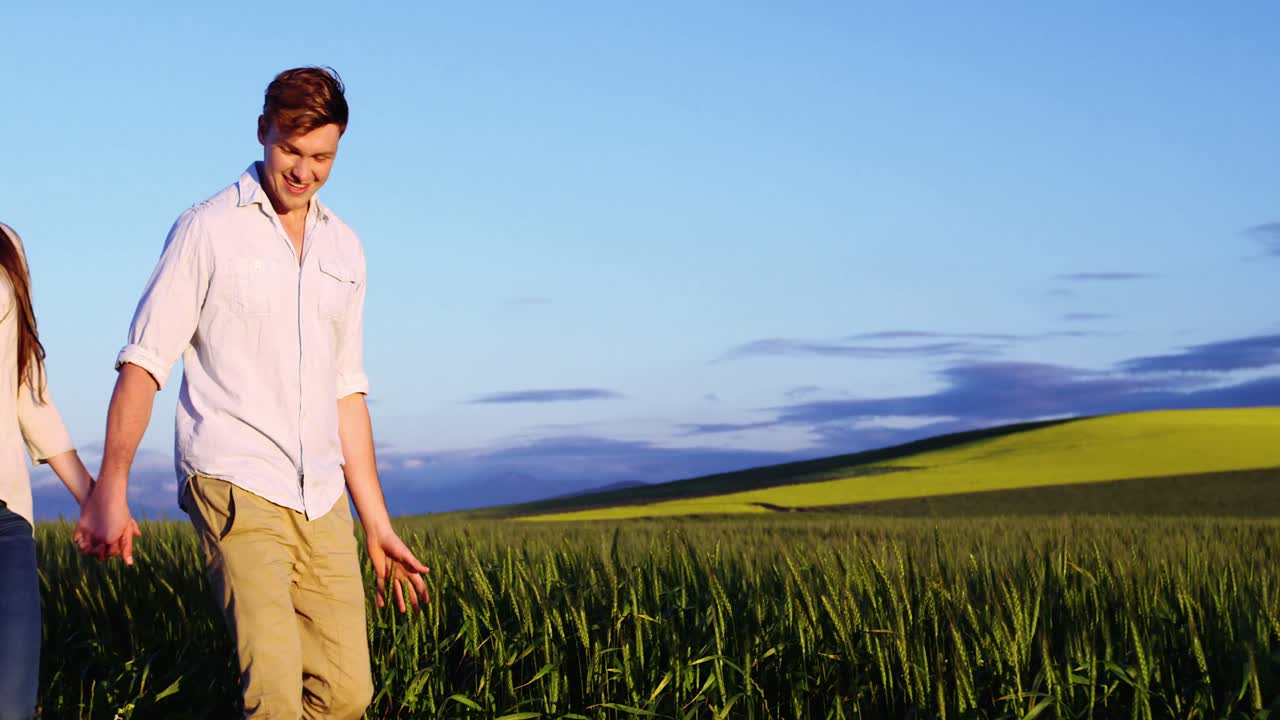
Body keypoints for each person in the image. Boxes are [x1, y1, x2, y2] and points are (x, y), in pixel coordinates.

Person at [75, 67, 430, 719]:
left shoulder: (345, 249)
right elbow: (144, 363)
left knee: (349, 695)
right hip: (233, 478)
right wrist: (110, 486)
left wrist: (377, 525)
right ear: (263, 130)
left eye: (321, 156)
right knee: (273, 690)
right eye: (291, 150)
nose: (304, 170)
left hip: (321, 494)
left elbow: (347, 394)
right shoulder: (206, 229)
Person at [0, 223, 139, 720]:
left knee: (10, 704)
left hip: (4, 519)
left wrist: (94, 497)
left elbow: (27, 389)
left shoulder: (6, 244)